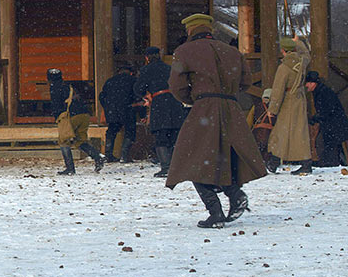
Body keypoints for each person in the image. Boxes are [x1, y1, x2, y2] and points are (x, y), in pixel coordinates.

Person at [166, 14, 266, 228]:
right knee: (222, 157)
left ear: (190, 30)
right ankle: (234, 194)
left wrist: (196, 99)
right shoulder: (233, 52)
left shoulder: (184, 51)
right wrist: (227, 94)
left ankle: (216, 211)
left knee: (192, 159)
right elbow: (246, 82)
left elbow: (176, 86)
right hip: (231, 109)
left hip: (204, 109)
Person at [134, 46, 187, 177]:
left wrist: (145, 95)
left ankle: (166, 166)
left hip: (159, 103)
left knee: (161, 135)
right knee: (174, 134)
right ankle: (176, 167)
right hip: (174, 102)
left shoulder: (146, 70)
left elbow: (138, 88)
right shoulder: (169, 68)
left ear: (147, 57)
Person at [266, 37, 312, 175]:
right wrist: (298, 42)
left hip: (288, 102)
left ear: (283, 50)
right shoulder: (302, 61)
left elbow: (278, 90)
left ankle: (274, 162)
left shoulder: (284, 68)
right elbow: (306, 54)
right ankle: (305, 163)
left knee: (280, 132)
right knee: (300, 133)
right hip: (300, 99)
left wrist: (272, 109)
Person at [48, 68, 105, 174]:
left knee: (63, 141)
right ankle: (98, 156)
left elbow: (56, 105)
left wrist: (57, 117)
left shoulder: (54, 87)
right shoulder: (68, 86)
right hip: (84, 114)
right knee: (80, 141)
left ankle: (70, 168)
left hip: (71, 115)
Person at [305, 71, 348, 167]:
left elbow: (327, 109)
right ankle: (334, 162)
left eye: (308, 83)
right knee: (333, 144)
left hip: (335, 124)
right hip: (333, 123)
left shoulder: (323, 92)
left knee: (329, 143)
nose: (306, 85)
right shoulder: (320, 91)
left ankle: (330, 163)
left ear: (313, 83)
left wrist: (316, 118)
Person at [99, 64, 138, 162]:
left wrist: (107, 107)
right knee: (130, 131)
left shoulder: (110, 81)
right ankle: (124, 156)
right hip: (127, 109)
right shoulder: (133, 80)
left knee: (111, 131)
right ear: (130, 72)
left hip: (112, 110)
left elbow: (101, 96)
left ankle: (108, 154)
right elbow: (137, 95)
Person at [245, 88, 275, 164]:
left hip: (257, 134)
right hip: (270, 135)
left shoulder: (256, 106)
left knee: (257, 153)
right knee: (268, 153)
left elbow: (249, 120)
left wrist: (247, 133)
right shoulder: (275, 108)